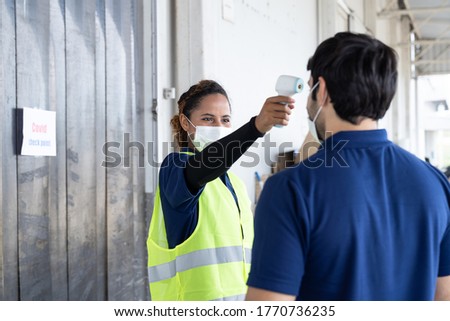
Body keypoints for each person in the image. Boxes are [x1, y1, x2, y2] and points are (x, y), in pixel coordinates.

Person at [246, 32, 450, 301]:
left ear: (323, 90)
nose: (309, 103)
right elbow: (444, 298)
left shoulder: (290, 190)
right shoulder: (435, 183)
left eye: (310, 90)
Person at [146, 79, 295, 301]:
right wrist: (256, 127)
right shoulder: (175, 168)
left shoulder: (234, 184)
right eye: (208, 119)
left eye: (225, 120)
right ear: (186, 123)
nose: (218, 127)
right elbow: (204, 166)